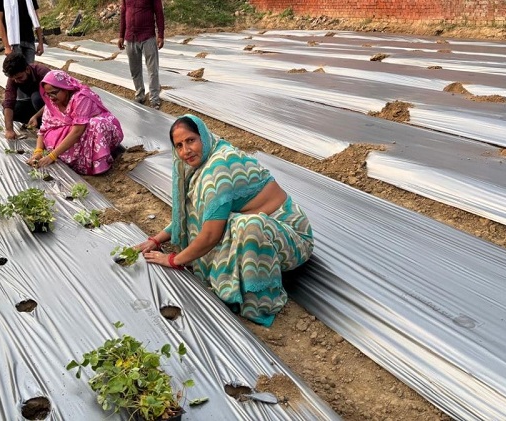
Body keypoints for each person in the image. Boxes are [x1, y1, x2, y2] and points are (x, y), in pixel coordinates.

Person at [137, 115, 314, 326]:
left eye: (191, 140)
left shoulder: (219, 168)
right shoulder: (202, 164)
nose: (186, 151)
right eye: (179, 146)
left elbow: (210, 235)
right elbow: (193, 213)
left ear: (203, 136)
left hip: (292, 237)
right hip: (266, 228)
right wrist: (156, 240)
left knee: (245, 226)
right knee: (228, 223)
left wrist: (173, 260)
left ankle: (259, 302)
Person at [27, 70, 124, 175]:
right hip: (75, 133)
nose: (51, 97)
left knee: (96, 124)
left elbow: (77, 132)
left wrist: (52, 156)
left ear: (65, 88)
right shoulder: (52, 103)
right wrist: (38, 152)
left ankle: (97, 163)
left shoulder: (81, 98)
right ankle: (72, 157)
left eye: (54, 93)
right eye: (48, 94)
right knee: (53, 134)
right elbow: (43, 130)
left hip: (91, 132)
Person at [117, 0, 164, 109]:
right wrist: (121, 35)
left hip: (147, 36)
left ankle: (154, 99)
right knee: (135, 70)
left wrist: (161, 35)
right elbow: (123, 12)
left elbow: (159, 12)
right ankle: (140, 95)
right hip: (130, 37)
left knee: (152, 70)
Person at [2, 52, 49, 140]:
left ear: (27, 69)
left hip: (52, 105)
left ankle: (49, 125)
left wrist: (36, 116)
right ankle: (38, 123)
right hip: (36, 106)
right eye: (14, 79)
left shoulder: (43, 73)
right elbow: (9, 101)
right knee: (10, 110)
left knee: (36, 98)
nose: (16, 81)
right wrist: (9, 130)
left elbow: (53, 102)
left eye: (19, 77)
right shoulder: (14, 77)